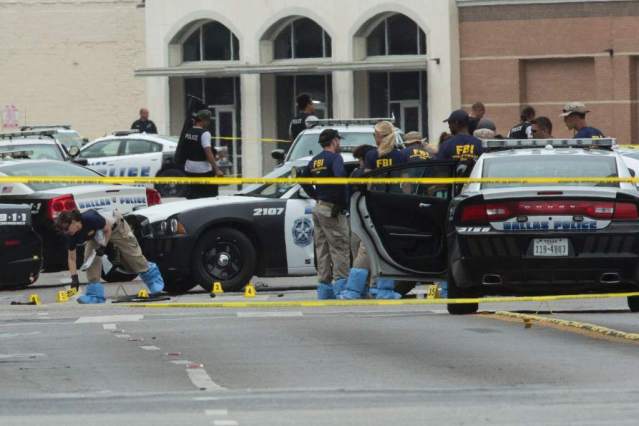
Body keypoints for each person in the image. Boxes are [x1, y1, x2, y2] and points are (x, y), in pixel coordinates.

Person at [56, 209, 164, 304]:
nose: (65, 232)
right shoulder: (71, 235)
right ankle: (95, 295)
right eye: (63, 230)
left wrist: (103, 246)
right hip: (95, 236)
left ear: (74, 222)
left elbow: (107, 229)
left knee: (132, 255)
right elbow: (71, 258)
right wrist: (74, 278)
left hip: (115, 227)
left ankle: (153, 280)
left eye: (66, 228)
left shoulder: (90, 218)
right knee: (90, 259)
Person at [302, 129, 350, 299]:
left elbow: (302, 178)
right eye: (339, 140)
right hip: (332, 209)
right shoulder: (336, 158)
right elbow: (340, 179)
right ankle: (342, 288)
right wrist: (342, 203)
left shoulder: (315, 160)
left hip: (319, 207)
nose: (340, 143)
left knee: (322, 248)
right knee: (340, 247)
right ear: (334, 141)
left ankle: (324, 289)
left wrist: (315, 195)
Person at [183, 110, 224, 199]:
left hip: (189, 169)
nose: (208, 123)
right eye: (208, 120)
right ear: (203, 120)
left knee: (192, 196)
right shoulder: (205, 133)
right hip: (203, 170)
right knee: (209, 197)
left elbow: (191, 149)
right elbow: (208, 153)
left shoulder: (188, 131)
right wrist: (217, 170)